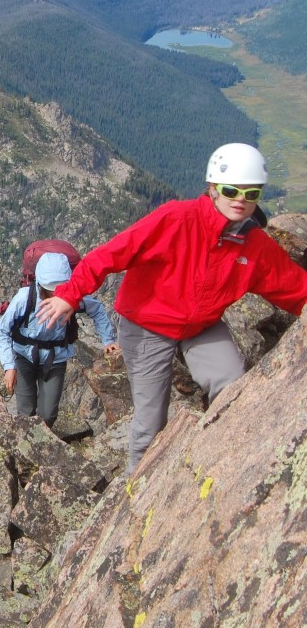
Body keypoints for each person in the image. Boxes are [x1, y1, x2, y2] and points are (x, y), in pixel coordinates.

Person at [36, 143, 307, 474]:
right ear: (212, 189)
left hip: (201, 325)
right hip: (146, 325)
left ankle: (224, 462)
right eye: (231, 189)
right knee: (150, 422)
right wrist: (69, 294)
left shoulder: (255, 246)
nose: (240, 199)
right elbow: (110, 254)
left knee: (231, 383)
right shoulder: (176, 219)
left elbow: (294, 287)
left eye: (250, 193)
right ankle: (136, 488)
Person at [0, 252, 120, 427]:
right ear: (40, 284)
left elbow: (97, 309)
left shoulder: (72, 298)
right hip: (23, 357)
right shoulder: (24, 298)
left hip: (55, 358)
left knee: (48, 414)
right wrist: (9, 367)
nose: (55, 294)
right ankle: (28, 447)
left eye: (60, 289)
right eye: (50, 289)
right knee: (26, 411)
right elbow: (2, 330)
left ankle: (42, 442)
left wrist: (108, 341)